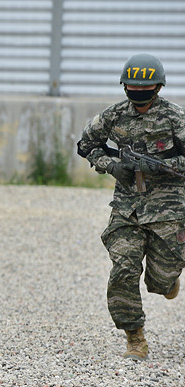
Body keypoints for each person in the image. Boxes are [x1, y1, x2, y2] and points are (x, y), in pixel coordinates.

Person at [77, 53, 184, 361]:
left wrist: (162, 167)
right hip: (127, 206)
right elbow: (86, 145)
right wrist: (112, 166)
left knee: (161, 280)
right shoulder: (114, 116)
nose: (138, 93)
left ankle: (168, 276)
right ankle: (134, 337)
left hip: (168, 209)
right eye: (132, 88)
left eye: (145, 88)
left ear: (159, 87)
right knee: (124, 268)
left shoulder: (175, 118)